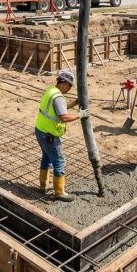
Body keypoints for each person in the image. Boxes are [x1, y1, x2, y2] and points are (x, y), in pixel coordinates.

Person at [35, 70, 90, 202]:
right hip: (49, 136)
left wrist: (75, 103)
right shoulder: (58, 97)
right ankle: (59, 192)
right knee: (59, 161)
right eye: (70, 86)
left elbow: (61, 107)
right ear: (64, 83)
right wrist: (80, 115)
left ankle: (43, 185)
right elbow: (63, 116)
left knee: (46, 157)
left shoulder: (51, 91)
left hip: (40, 130)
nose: (70, 89)